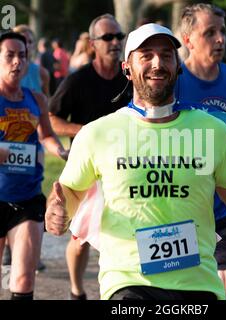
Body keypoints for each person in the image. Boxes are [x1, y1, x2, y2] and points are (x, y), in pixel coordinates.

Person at [45, 23, 226, 300]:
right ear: (127, 68)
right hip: (128, 281)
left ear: (178, 66)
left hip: (198, 282)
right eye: (146, 56)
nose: (158, 63)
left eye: (167, 55)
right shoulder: (97, 133)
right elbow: (70, 192)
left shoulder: (213, 131)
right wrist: (57, 211)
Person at [176, 3, 226, 300]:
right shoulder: (173, 82)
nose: (220, 39)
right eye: (209, 32)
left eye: (222, 31)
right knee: (185, 288)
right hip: (183, 204)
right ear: (188, 40)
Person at [48, 13, 130, 300]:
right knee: (81, 237)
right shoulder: (78, 80)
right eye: (108, 37)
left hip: (126, 168)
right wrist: (85, 132)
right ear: (93, 43)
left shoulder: (129, 77)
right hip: (88, 168)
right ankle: (76, 290)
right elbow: (52, 118)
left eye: (119, 36)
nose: (115, 42)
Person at [0, 31, 68, 300]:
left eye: (22, 56)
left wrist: (60, 150)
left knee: (24, 277)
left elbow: (47, 135)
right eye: (10, 55)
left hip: (27, 198)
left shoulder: (36, 98)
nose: (17, 61)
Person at [13, 25, 50, 96]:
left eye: (30, 42)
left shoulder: (42, 73)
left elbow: (47, 102)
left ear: (34, 46)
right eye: (22, 40)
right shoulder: (3, 70)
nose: (27, 45)